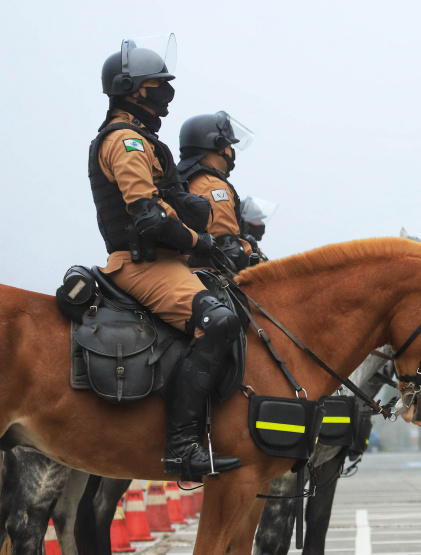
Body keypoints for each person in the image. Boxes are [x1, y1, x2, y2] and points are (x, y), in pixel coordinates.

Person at [90, 39, 241, 481]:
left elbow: (174, 204)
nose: (166, 95)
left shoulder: (145, 141)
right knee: (218, 322)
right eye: (160, 86)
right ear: (133, 89)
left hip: (164, 260)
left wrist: (193, 232)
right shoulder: (126, 141)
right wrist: (201, 241)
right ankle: (182, 447)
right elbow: (149, 217)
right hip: (141, 263)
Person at [176, 111, 264, 271]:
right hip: (207, 272)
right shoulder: (212, 185)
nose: (231, 151)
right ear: (218, 146)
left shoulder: (185, 180)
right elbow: (229, 249)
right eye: (229, 145)